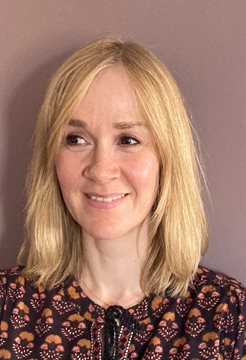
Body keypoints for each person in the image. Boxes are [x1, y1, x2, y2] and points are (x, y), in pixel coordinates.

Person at [0, 37, 245, 360]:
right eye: (76, 139)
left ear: (166, 157)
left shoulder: (226, 316)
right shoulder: (7, 307)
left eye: (128, 139)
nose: (101, 170)